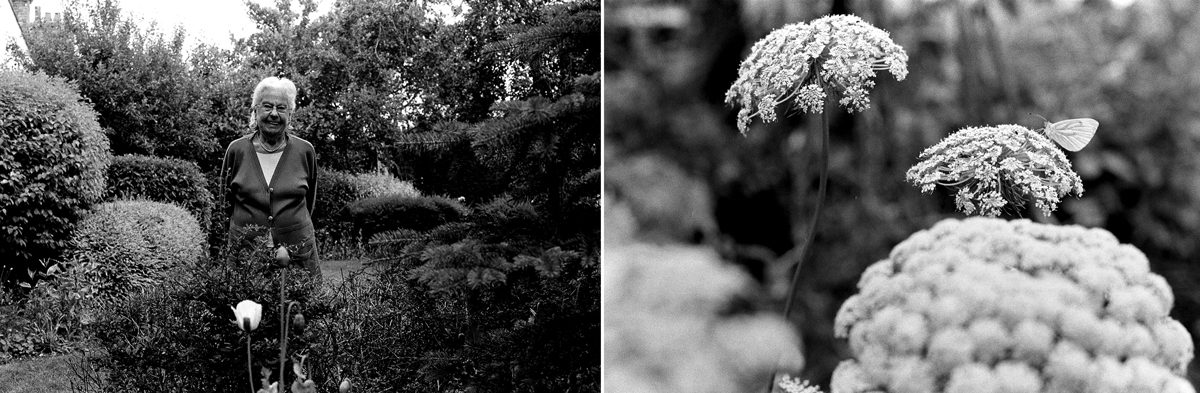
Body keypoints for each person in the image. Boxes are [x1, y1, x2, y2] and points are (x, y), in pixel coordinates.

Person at [220, 76, 319, 275]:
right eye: (267, 106)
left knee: (298, 304)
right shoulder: (236, 150)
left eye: (281, 108)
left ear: (290, 115)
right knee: (246, 304)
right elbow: (224, 205)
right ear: (255, 111)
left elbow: (310, 203)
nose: (274, 114)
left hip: (298, 253)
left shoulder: (305, 151)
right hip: (245, 254)